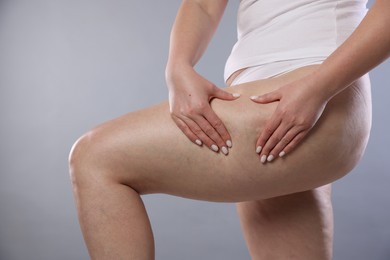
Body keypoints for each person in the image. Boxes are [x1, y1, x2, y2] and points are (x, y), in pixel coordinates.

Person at [69, 0, 390, 259]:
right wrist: (178, 65)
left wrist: (319, 88)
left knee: (94, 158)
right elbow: (203, 5)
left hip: (314, 90)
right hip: (270, 96)